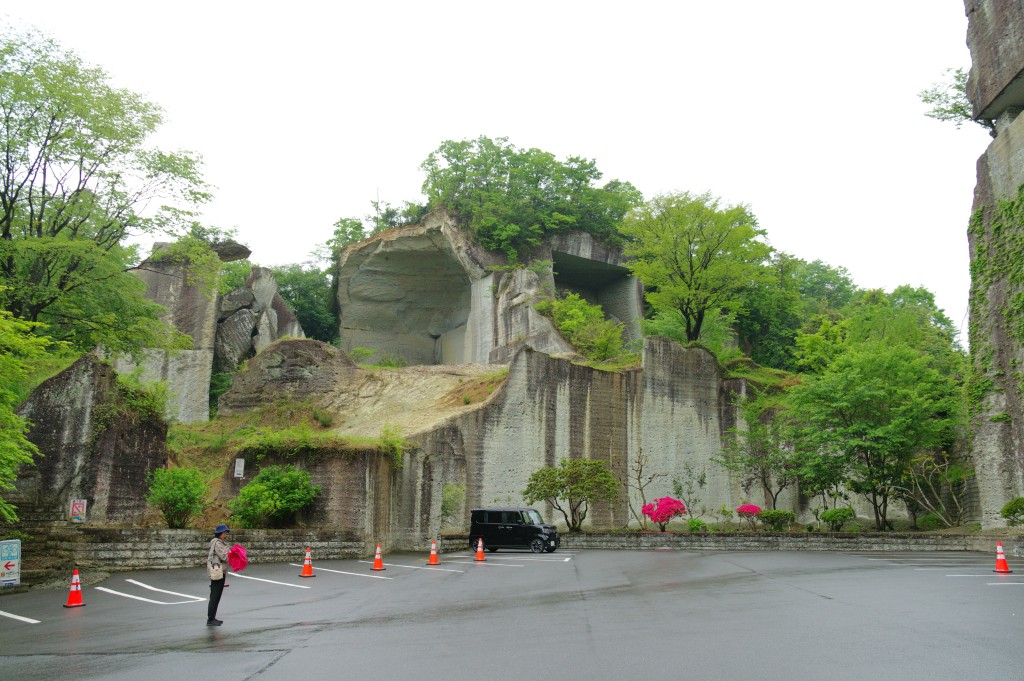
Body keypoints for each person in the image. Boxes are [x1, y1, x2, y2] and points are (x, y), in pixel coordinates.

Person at [207, 523, 230, 626]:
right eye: (225, 532)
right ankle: (211, 619)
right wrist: (234, 557)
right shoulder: (217, 543)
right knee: (215, 596)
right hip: (217, 572)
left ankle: (212, 617)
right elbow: (224, 556)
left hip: (220, 571)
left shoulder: (220, 542)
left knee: (216, 596)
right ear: (220, 533)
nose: (226, 534)